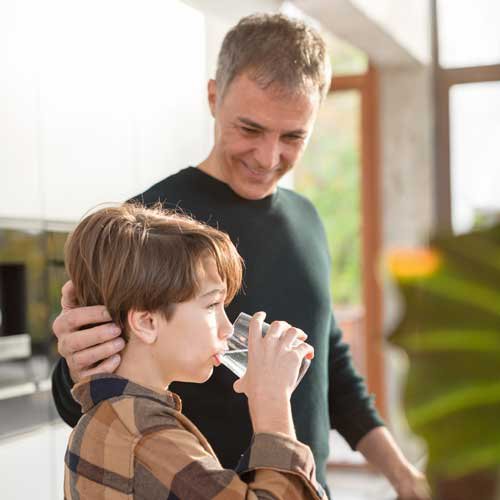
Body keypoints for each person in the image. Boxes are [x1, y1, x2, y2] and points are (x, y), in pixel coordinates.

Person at [52, 13, 430, 499]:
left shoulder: (307, 220)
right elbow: (85, 400)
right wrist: (75, 364)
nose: (269, 157)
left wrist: (403, 476)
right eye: (250, 128)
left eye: (293, 137)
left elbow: (332, 371)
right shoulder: (150, 230)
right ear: (214, 97)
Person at [63, 203, 324, 499]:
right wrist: (272, 403)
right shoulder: (149, 439)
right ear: (147, 322)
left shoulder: (109, 418)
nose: (227, 329)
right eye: (212, 305)